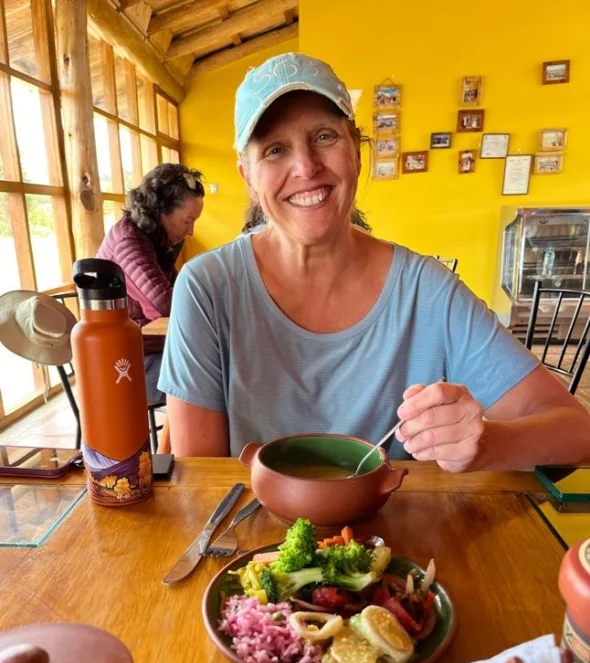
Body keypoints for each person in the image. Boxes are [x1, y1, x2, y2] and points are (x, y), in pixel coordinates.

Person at [158, 52, 590, 471]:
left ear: (357, 152)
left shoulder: (427, 291)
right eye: (274, 150)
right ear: (248, 178)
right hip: (248, 542)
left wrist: (486, 444)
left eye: (325, 136)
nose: (306, 166)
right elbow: (200, 480)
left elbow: (579, 433)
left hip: (399, 543)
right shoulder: (208, 287)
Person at [97, 163, 204, 403]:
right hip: (122, 365)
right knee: (215, 375)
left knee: (221, 362)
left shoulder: (158, 238)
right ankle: (183, 440)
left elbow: (181, 291)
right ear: (160, 210)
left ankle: (181, 439)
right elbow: (165, 306)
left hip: (150, 349)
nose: (191, 231)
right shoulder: (129, 242)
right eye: (187, 221)